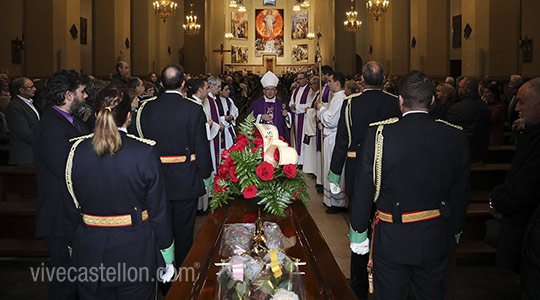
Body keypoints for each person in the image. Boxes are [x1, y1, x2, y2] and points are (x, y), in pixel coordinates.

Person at [349, 71, 470, 300]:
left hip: (393, 237)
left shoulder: (380, 134)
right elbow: (460, 192)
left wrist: (358, 232)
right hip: (435, 235)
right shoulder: (455, 135)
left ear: (400, 100)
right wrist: (453, 231)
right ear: (432, 100)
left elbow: (364, 187)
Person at [66, 86, 175, 299]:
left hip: (90, 253)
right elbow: (158, 209)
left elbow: (70, 206)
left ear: (97, 114)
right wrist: (166, 255)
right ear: (128, 116)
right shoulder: (144, 151)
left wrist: (73, 248)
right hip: (135, 253)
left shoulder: (76, 151)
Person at [328, 61, 401, 298]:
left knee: (359, 224)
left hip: (358, 169)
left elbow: (342, 140)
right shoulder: (394, 102)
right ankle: (383, 275)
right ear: (384, 79)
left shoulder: (351, 104)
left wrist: (334, 174)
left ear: (362, 79)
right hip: (389, 172)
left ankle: (359, 281)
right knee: (385, 224)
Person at [134, 65, 213, 266]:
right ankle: (182, 277)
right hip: (185, 180)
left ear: (160, 83)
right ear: (184, 83)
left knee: (158, 228)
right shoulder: (194, 109)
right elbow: (201, 148)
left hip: (153, 180)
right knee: (184, 231)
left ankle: (162, 276)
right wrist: (206, 178)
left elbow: (139, 144)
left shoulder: (146, 108)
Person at [33, 69, 90, 299]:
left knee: (75, 277)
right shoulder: (52, 128)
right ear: (68, 96)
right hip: (60, 215)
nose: (85, 96)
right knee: (65, 281)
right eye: (82, 92)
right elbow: (68, 171)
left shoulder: (72, 121)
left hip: (71, 213)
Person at [490, 77, 540, 299]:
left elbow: (523, 189)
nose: (516, 107)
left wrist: (496, 198)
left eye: (522, 102)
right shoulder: (531, 133)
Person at [315, 72, 347, 213]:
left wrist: (320, 108)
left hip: (334, 138)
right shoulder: (336, 98)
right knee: (329, 167)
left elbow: (331, 120)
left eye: (329, 81)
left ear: (337, 83)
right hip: (330, 136)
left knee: (333, 169)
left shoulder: (341, 99)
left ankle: (337, 202)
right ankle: (330, 199)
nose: (328, 84)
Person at [445, 76, 491, 162]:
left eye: (460, 88)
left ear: (465, 90)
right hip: (480, 153)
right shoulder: (485, 107)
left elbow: (448, 133)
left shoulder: (457, 108)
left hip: (461, 154)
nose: (458, 90)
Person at [6, 77, 40, 165]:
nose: (35, 89)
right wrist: (43, 141)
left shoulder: (29, 103)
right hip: (24, 157)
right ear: (21, 90)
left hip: (34, 154)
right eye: (31, 87)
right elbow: (24, 133)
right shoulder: (15, 106)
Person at [249, 71, 291, 139]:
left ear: (276, 91)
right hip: (262, 138)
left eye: (272, 89)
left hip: (278, 136)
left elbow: (289, 122)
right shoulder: (255, 104)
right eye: (268, 89)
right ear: (264, 91)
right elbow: (249, 122)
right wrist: (260, 117)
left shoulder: (281, 104)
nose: (270, 92)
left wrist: (286, 115)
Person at [301, 76, 321, 187]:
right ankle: (312, 169)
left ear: (317, 84)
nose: (310, 86)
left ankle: (314, 170)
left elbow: (317, 111)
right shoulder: (316, 94)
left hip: (314, 128)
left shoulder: (320, 95)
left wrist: (309, 111)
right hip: (311, 125)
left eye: (312, 84)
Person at [289, 72, 312, 165]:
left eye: (300, 79)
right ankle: (298, 160)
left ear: (306, 79)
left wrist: (297, 107)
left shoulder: (310, 91)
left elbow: (310, 104)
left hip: (305, 118)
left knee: (302, 138)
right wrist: (292, 106)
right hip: (296, 117)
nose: (298, 81)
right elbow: (291, 101)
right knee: (297, 138)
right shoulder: (296, 90)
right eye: (297, 79)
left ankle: (304, 161)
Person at [217, 82, 238, 149]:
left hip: (229, 128)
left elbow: (235, 110)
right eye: (226, 89)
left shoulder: (229, 100)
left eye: (228, 89)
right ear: (220, 91)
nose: (229, 91)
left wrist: (232, 116)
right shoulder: (215, 101)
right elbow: (212, 117)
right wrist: (223, 118)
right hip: (221, 130)